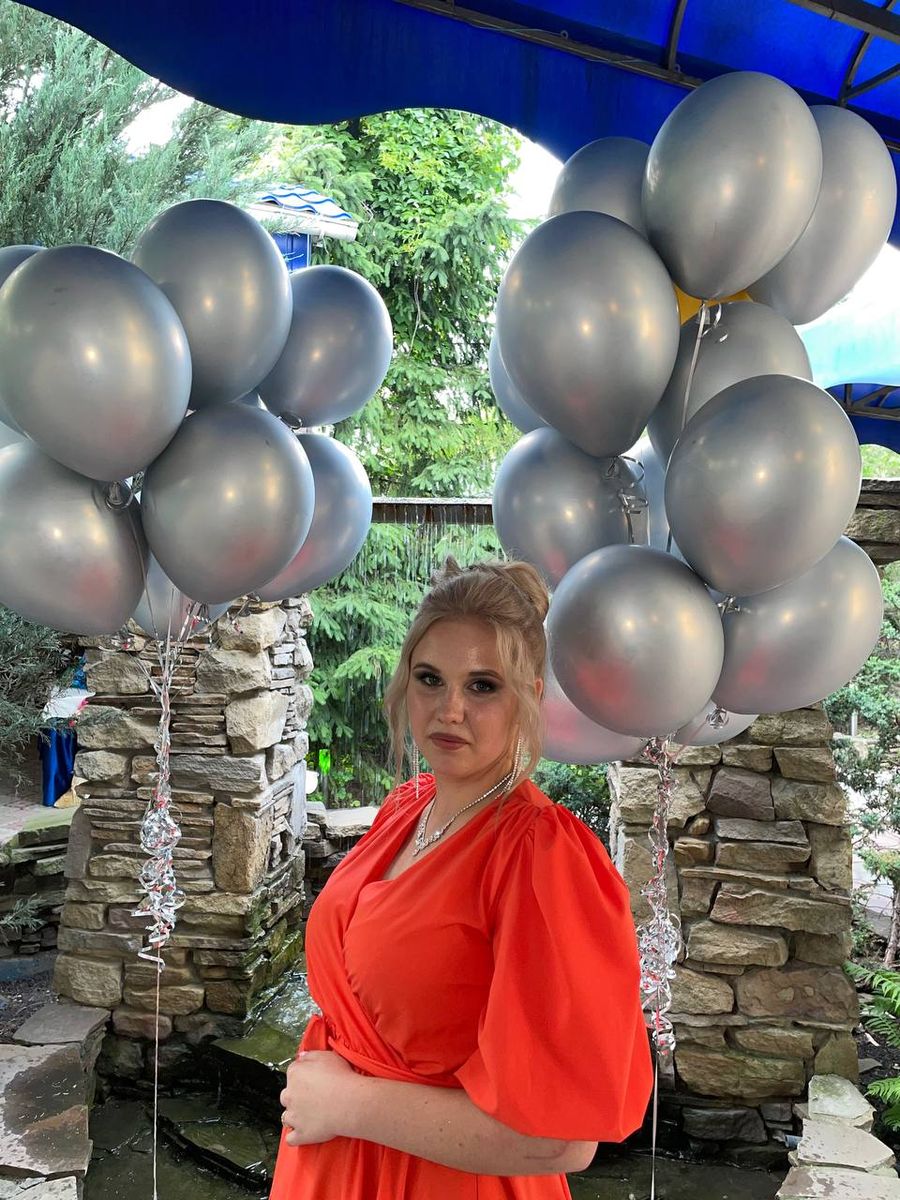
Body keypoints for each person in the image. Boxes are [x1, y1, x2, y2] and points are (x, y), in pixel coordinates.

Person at [269, 557, 653, 1199]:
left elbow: (562, 1142)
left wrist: (348, 1105)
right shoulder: (408, 807)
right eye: (430, 679)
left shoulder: (540, 856)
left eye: (482, 686)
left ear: (529, 696)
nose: (449, 710)